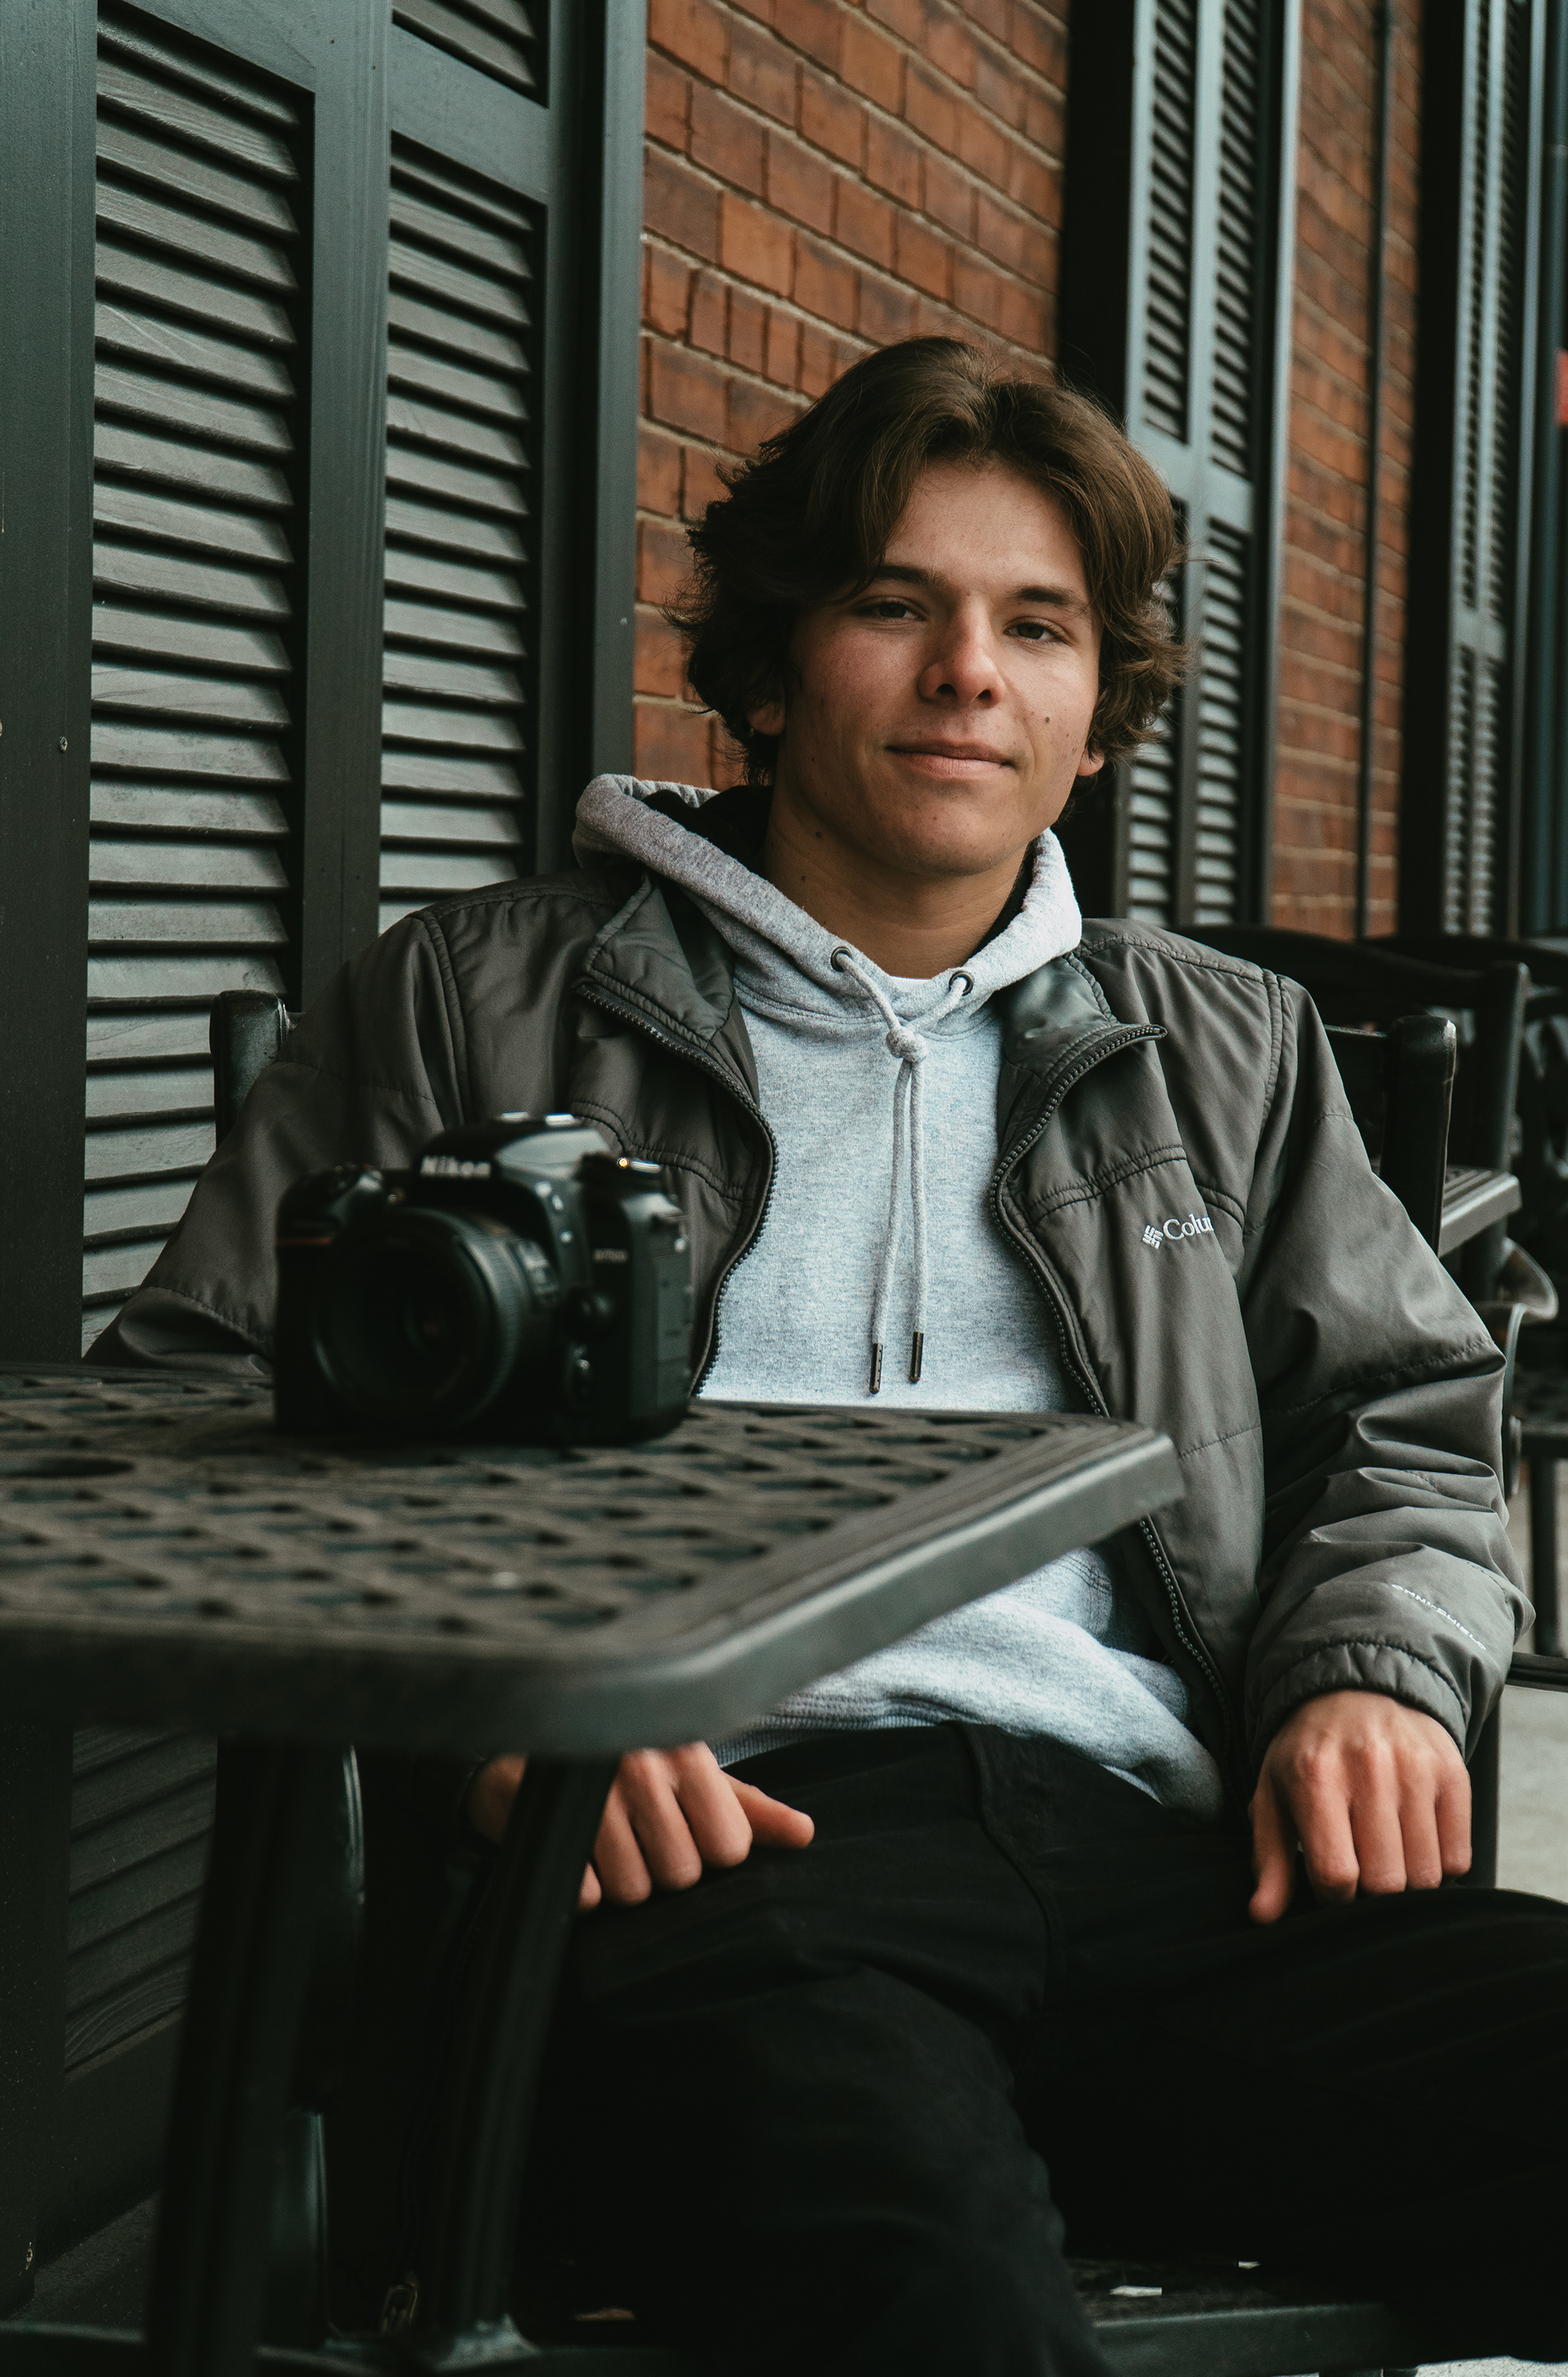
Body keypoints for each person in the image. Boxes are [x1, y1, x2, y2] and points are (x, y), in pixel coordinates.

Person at [98, 338, 1565, 2375]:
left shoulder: (1225, 1049)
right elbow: (179, 1418)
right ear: (776, 668)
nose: (970, 673)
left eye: (1037, 625)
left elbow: (1397, 1418)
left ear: (1095, 715)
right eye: (897, 604)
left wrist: (1365, 1673)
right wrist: (499, 1705)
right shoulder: (477, 1004)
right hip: (719, 1865)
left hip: (1167, 1867)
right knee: (927, 2288)